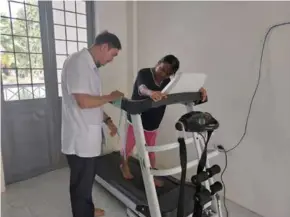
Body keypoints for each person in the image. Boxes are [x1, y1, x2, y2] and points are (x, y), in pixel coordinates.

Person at [61, 31, 124, 217]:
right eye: (113, 55)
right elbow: (84, 101)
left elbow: (93, 101)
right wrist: (110, 97)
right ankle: (83, 213)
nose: (111, 60)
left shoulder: (90, 67)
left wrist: (108, 121)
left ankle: (86, 210)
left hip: (87, 135)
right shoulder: (78, 63)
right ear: (104, 47)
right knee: (81, 182)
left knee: (85, 181)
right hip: (80, 138)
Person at [120, 54, 208, 187]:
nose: (163, 74)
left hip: (153, 121)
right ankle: (124, 165)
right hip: (135, 118)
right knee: (128, 146)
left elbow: (181, 91)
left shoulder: (168, 82)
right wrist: (151, 93)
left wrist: (198, 89)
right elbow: (141, 88)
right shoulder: (144, 73)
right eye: (162, 69)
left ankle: (151, 177)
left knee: (151, 151)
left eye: (167, 73)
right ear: (158, 63)